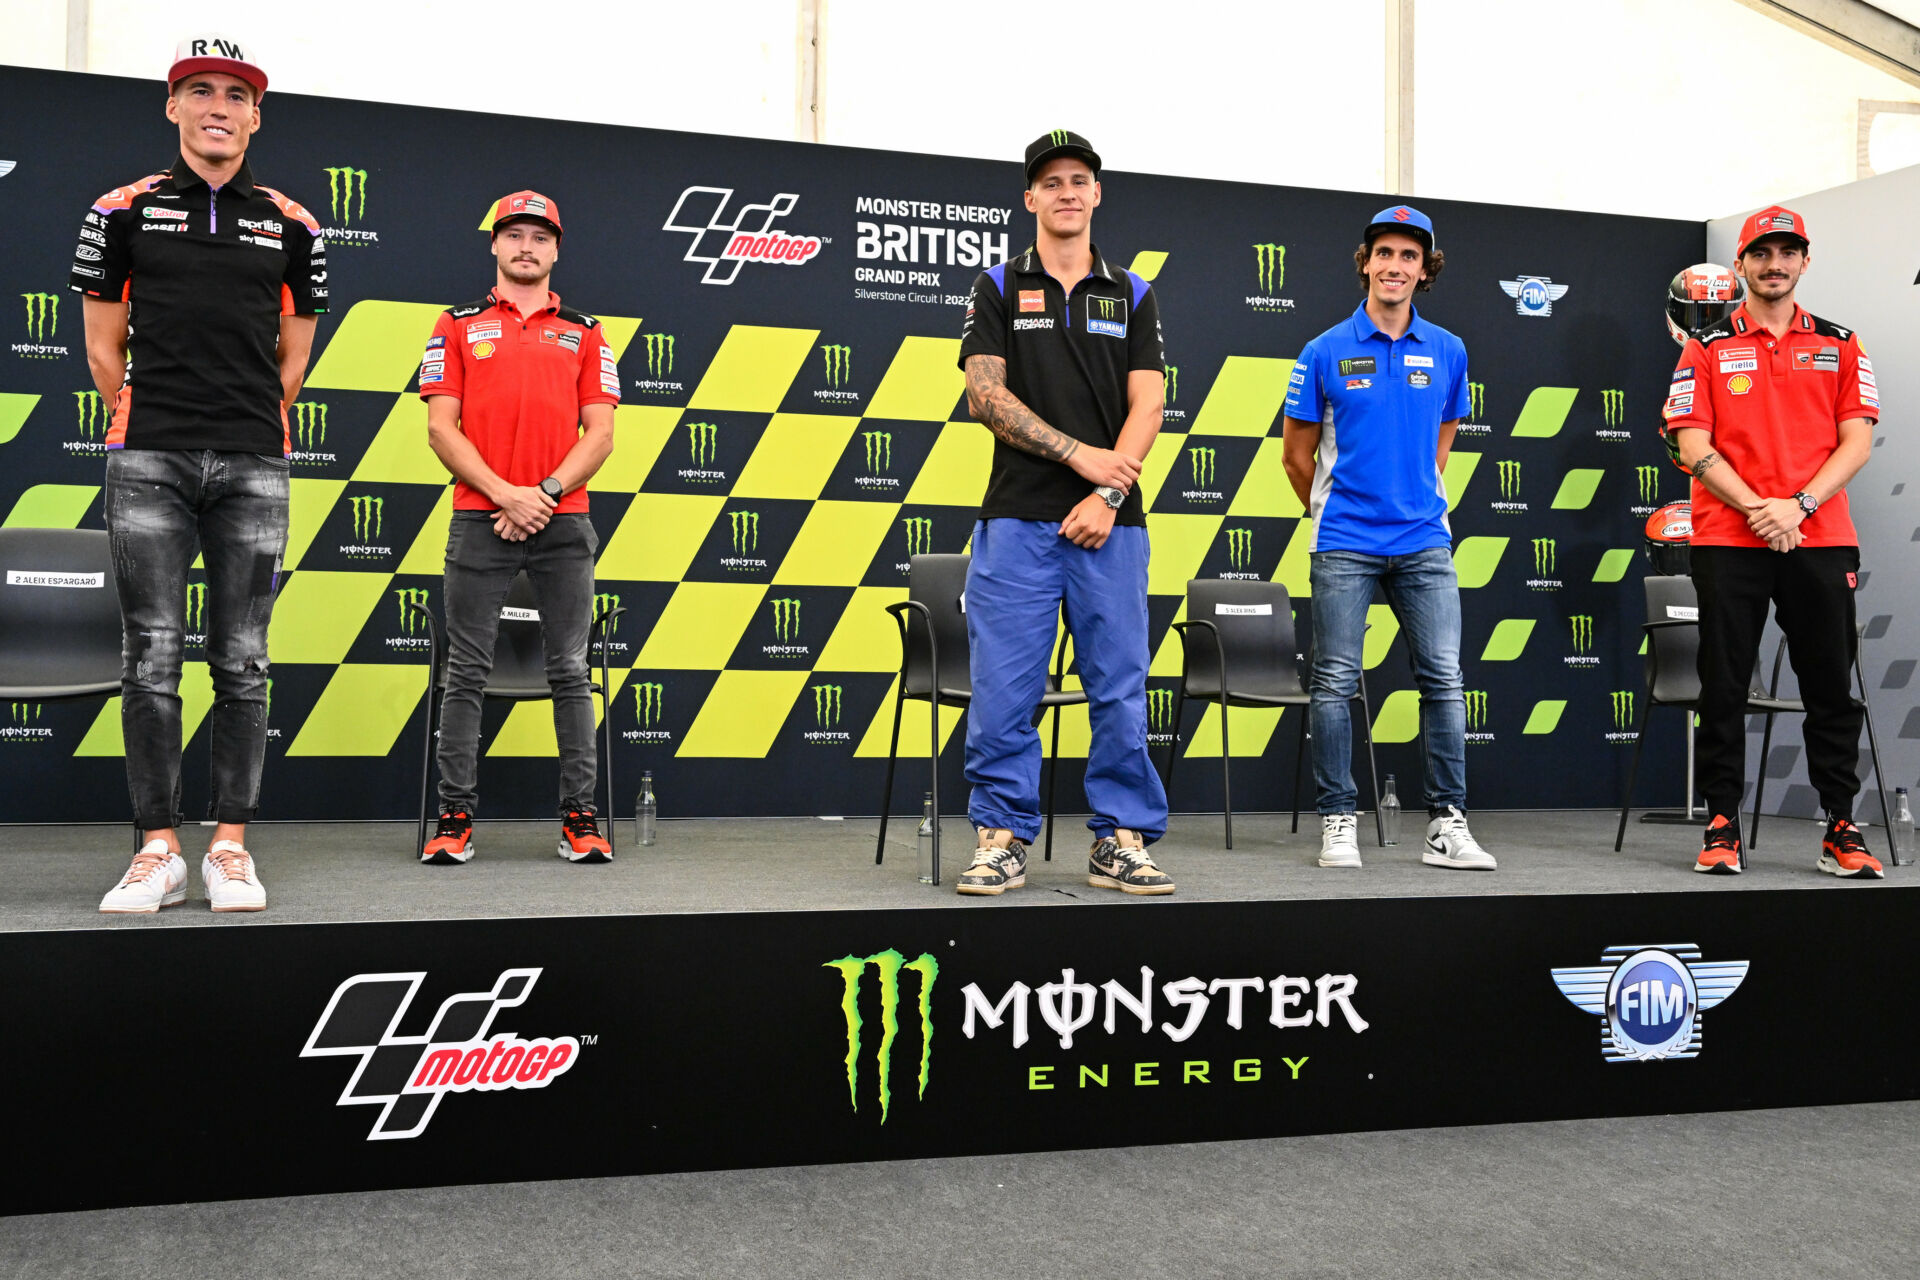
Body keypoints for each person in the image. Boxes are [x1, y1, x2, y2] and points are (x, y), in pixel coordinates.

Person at [78, 35, 326, 914]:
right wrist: (156, 417)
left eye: (235, 95)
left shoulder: (294, 222)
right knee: (149, 658)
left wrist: (244, 416)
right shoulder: (121, 211)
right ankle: (156, 849)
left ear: (257, 116)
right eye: (200, 91)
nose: (218, 106)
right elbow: (104, 347)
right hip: (148, 458)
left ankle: (228, 846)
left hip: (256, 463)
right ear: (173, 107)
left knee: (244, 661)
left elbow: (293, 358)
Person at [953, 129, 1172, 897]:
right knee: (1006, 691)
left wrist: (1109, 493)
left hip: (1113, 525)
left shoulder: (1133, 291)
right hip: (1017, 520)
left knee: (1118, 688)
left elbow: (1150, 401)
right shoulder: (999, 285)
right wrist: (1082, 459)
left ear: (1097, 194)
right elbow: (985, 395)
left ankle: (1120, 838)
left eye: (1080, 179)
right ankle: (1003, 837)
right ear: (1031, 199)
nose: (1067, 192)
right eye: (1052, 182)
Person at [1660, 205, 1881, 878]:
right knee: (1723, 684)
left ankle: (1841, 826)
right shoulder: (1706, 347)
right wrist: (1763, 509)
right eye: (1761, 254)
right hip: (1731, 538)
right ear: (1742, 265)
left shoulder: (1843, 344)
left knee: (1829, 688)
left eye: (1787, 253)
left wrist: (1800, 506)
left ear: (1804, 262)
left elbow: (1858, 440)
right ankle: (1721, 824)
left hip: (1821, 537)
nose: (1774, 265)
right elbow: (1688, 441)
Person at [1281, 205, 1495, 872]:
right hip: (1345, 537)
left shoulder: (1449, 349)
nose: (1395, 266)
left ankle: (1447, 824)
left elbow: (1445, 436)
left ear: (1424, 269)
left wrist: (1415, 496)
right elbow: (1297, 456)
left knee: (1443, 679)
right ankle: (1339, 821)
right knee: (1336, 681)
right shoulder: (1323, 350)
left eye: (1409, 256)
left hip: (1426, 539)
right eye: (1384, 254)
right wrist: (1330, 512)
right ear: (1365, 262)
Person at [417, 191, 620, 866]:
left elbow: (602, 433)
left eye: (540, 237)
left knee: (569, 670)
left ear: (556, 250)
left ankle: (580, 820)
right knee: (466, 673)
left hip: (564, 520)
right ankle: (453, 820)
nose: (526, 247)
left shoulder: (588, 331)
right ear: (495, 247)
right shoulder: (454, 325)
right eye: (514, 236)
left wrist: (546, 493)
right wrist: (508, 494)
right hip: (480, 517)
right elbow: (440, 427)